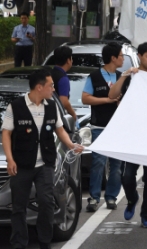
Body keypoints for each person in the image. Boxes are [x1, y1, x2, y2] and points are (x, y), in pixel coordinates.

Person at [2, 69, 83, 249]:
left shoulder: (51, 106)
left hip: (45, 164)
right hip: (21, 165)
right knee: (18, 207)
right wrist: (9, 159)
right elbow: (6, 133)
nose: (53, 89)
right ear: (39, 87)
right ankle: (19, 243)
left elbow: (60, 129)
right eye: (51, 85)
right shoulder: (15, 106)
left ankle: (44, 241)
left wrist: (71, 145)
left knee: (47, 203)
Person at [109, 42, 147, 228]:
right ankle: (132, 199)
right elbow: (112, 95)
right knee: (127, 176)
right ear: (139, 56)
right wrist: (125, 74)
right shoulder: (131, 77)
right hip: (132, 135)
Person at [82, 42, 125, 212]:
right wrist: (107, 100)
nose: (122, 58)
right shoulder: (94, 76)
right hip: (99, 126)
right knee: (98, 163)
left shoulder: (122, 77)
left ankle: (111, 197)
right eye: (121, 55)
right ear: (113, 58)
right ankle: (93, 197)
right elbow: (86, 98)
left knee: (116, 166)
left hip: (117, 129)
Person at [51, 46, 77, 124]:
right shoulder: (63, 78)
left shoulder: (49, 74)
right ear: (68, 60)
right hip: (57, 117)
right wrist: (73, 114)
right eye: (71, 58)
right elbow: (64, 101)